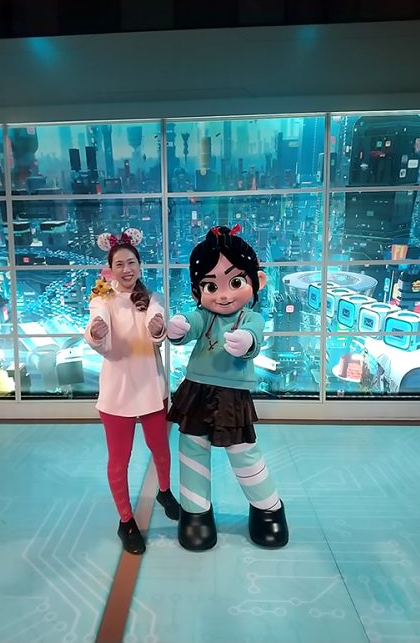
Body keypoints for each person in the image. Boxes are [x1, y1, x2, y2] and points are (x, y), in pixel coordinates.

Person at [167, 225, 289, 551]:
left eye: (235, 283)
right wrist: (178, 328)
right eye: (211, 286)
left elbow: (255, 336)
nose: (223, 295)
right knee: (192, 449)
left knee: (243, 451)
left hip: (232, 395)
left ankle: (268, 509)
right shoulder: (203, 315)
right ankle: (195, 513)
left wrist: (246, 341)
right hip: (196, 389)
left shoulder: (251, 318)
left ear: (257, 281)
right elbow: (189, 325)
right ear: (198, 292)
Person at [85, 228, 179, 555]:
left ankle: (164, 491)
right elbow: (97, 323)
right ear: (110, 269)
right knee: (119, 460)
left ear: (140, 266)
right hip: (117, 393)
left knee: (160, 448)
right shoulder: (101, 299)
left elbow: (157, 319)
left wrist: (158, 328)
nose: (126, 269)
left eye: (131, 263)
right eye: (119, 264)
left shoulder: (153, 298)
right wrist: (97, 333)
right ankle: (125, 520)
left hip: (151, 387)